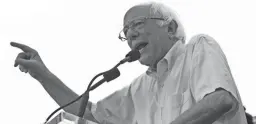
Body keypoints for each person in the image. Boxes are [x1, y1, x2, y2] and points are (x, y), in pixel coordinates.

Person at [11, 2, 248, 124]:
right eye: (126, 31)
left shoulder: (198, 47)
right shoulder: (140, 88)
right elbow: (89, 113)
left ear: (171, 28)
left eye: (138, 24)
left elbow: (220, 99)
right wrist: (42, 75)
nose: (131, 35)